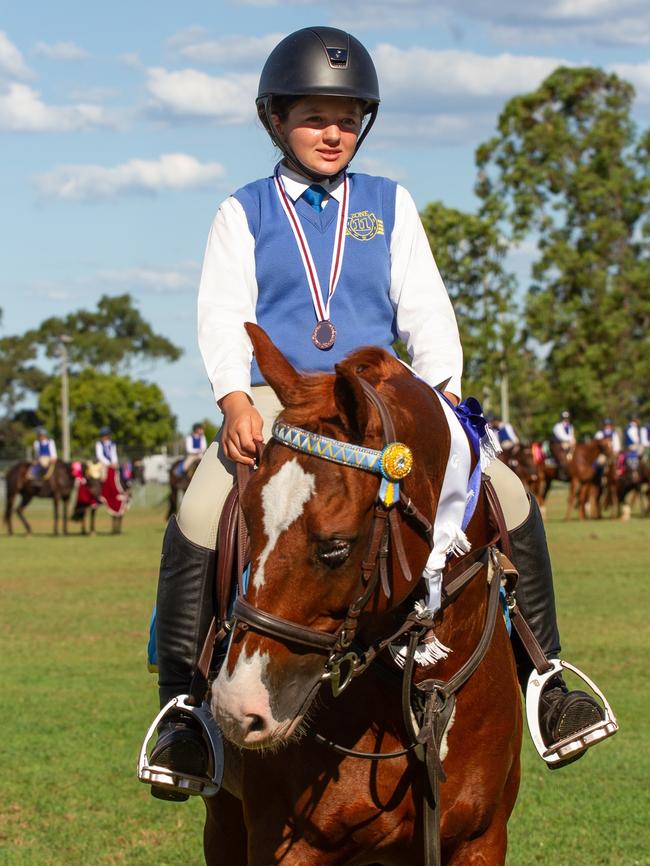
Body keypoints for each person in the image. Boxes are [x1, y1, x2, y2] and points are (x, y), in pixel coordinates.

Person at [140, 26, 608, 802]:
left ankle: (547, 679)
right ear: (275, 121)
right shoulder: (243, 211)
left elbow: (426, 308)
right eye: (315, 116)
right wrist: (231, 396)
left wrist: (443, 397)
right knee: (197, 508)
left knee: (513, 494)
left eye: (348, 116)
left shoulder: (389, 204)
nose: (333, 132)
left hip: (379, 405)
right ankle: (184, 712)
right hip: (282, 399)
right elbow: (224, 312)